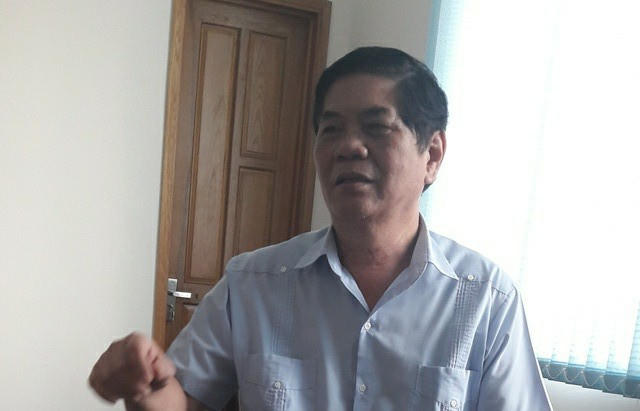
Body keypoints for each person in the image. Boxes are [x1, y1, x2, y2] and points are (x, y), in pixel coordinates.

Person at [89, 47, 552, 410]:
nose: (349, 146)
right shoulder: (252, 285)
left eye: (376, 127)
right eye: (331, 130)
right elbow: (183, 401)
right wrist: (144, 384)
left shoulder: (486, 302)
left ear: (431, 155)